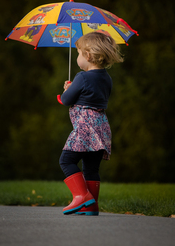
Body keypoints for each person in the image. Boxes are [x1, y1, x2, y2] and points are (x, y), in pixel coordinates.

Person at [59, 31, 123, 215]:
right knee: (91, 168)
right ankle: (92, 206)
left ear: (87, 55)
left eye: (78, 53)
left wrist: (68, 90)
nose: (78, 57)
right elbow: (93, 96)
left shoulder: (82, 77)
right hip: (101, 127)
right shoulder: (107, 78)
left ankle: (82, 197)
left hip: (85, 127)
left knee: (66, 160)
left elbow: (66, 100)